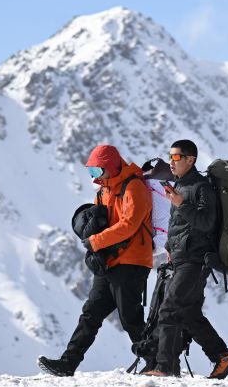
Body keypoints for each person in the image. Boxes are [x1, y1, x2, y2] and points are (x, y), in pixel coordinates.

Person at [38, 144, 154, 377]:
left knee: (130, 318)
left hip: (132, 262)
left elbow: (129, 225)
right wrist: (94, 243)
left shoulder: (134, 187)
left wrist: (96, 241)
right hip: (110, 262)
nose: (94, 176)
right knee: (90, 314)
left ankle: (158, 363)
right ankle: (67, 364)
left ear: (111, 166)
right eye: (91, 171)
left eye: (97, 170)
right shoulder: (103, 191)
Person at [142, 140, 228, 379]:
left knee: (169, 309)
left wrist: (182, 204)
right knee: (189, 314)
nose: (171, 162)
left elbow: (206, 223)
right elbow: (178, 225)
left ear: (191, 160)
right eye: (170, 157)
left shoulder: (201, 187)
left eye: (176, 157)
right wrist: (169, 247)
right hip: (181, 258)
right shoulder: (180, 186)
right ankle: (222, 357)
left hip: (195, 260)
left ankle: (165, 366)